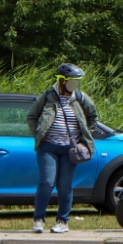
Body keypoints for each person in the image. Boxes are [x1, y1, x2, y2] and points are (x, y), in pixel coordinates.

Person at [26, 63, 98, 234]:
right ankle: (38, 219)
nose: (75, 85)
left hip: (70, 149)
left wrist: (84, 139)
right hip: (48, 147)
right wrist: (38, 134)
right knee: (46, 182)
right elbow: (32, 117)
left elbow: (93, 117)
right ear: (63, 81)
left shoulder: (80, 98)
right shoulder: (47, 97)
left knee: (65, 185)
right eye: (73, 81)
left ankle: (62, 221)